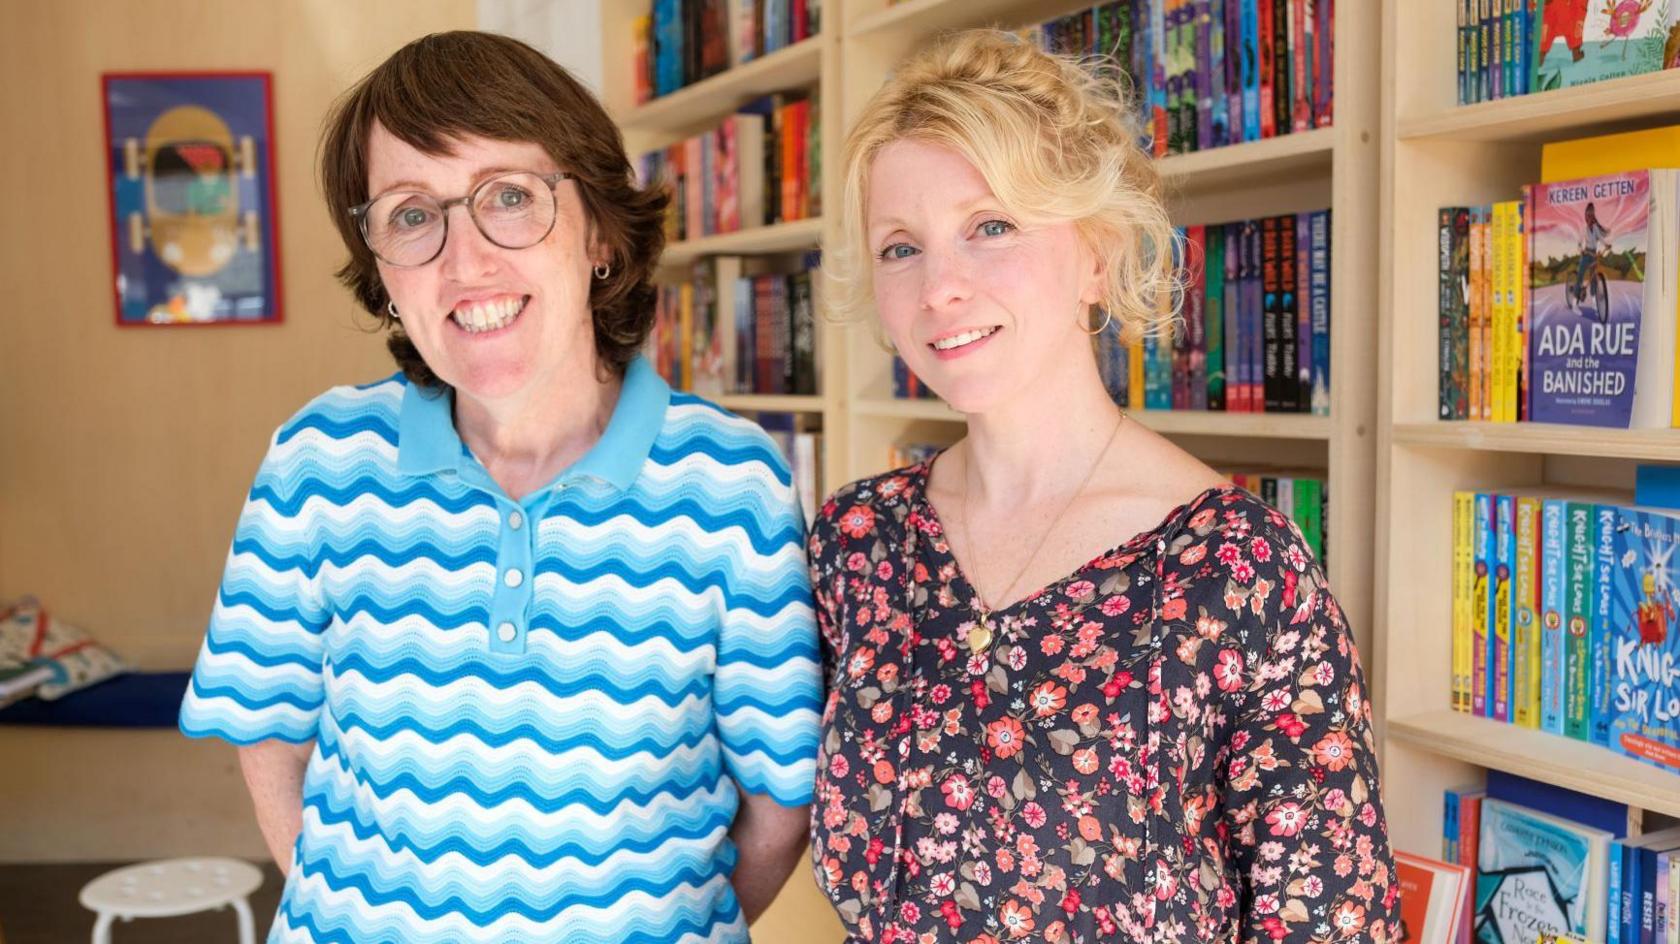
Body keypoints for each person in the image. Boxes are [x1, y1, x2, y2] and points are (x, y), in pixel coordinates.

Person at [178, 31, 820, 944]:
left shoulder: (731, 482)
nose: (464, 259)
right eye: (410, 215)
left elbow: (780, 799)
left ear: (598, 229)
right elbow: (268, 736)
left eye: (509, 198)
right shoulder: (316, 461)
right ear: (384, 275)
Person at [806, 30, 1399, 944]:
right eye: (899, 248)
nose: (939, 288)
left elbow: (1332, 922)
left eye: (990, 226)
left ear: (1095, 252)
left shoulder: (1235, 569)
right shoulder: (858, 540)